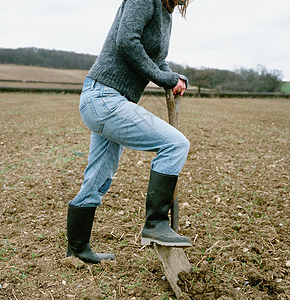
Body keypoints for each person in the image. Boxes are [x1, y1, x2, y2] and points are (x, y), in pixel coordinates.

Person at [66, 0, 193, 264]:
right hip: (105, 98)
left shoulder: (164, 12)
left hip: (107, 99)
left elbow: (156, 60)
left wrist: (173, 76)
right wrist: (164, 79)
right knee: (175, 144)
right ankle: (155, 223)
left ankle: (77, 250)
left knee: (98, 177)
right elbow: (127, 41)